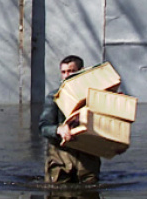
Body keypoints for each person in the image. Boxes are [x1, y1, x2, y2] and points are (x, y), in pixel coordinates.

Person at [39, 55, 102, 184]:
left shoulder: (96, 95)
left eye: (71, 71)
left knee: (90, 187)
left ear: (81, 71)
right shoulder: (54, 97)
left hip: (87, 153)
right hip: (60, 153)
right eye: (63, 72)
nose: (67, 75)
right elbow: (43, 127)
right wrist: (58, 129)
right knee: (58, 189)